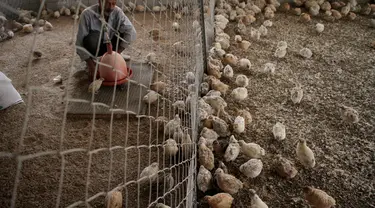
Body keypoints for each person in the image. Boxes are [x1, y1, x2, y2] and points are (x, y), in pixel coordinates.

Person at [75, 0, 136, 79]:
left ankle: (116, 57)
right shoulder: (87, 14)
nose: (111, 7)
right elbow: (79, 43)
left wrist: (116, 55)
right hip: (96, 48)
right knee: (90, 40)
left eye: (113, 4)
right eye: (108, 3)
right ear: (100, 2)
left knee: (125, 32)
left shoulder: (117, 12)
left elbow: (131, 32)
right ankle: (94, 61)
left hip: (112, 48)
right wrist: (91, 66)